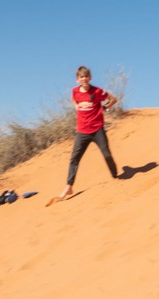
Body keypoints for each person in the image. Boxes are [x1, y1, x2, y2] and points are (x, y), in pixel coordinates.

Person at [48, 66, 119, 206]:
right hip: (82, 132)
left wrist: (105, 107)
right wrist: (76, 106)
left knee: (107, 155)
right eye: (81, 77)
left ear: (90, 78)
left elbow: (113, 99)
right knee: (74, 159)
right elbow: (74, 100)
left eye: (86, 76)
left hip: (97, 129)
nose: (84, 79)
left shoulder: (97, 91)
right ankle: (69, 186)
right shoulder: (75, 92)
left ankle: (116, 177)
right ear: (77, 79)